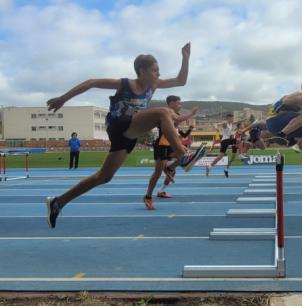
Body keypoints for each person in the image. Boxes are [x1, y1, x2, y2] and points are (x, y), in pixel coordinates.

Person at [45, 42, 206, 228]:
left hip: (129, 133)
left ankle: (58, 202)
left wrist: (185, 58)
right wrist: (63, 99)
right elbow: (91, 83)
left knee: (104, 177)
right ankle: (182, 156)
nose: (159, 74)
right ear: (142, 70)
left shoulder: (153, 85)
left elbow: (181, 81)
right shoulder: (125, 84)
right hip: (118, 125)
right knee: (163, 112)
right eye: (155, 70)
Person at [144, 95, 198, 209]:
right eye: (179, 103)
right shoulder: (165, 113)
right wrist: (191, 113)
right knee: (157, 174)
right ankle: (148, 196)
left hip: (170, 146)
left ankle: (170, 168)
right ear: (171, 103)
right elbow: (177, 120)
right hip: (161, 146)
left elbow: (178, 128)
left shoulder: (173, 115)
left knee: (185, 154)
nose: (180, 105)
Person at [206, 114, 241, 178]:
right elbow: (216, 124)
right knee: (239, 140)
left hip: (224, 142)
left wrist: (243, 119)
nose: (233, 119)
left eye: (233, 118)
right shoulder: (225, 123)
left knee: (220, 156)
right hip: (225, 140)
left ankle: (209, 166)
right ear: (228, 118)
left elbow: (236, 122)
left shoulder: (231, 123)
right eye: (231, 118)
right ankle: (242, 153)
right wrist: (217, 128)